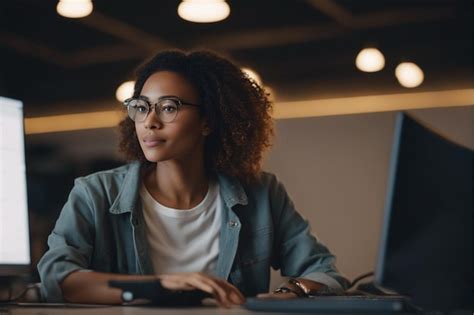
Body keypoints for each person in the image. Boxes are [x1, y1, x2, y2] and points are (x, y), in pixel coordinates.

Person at [37, 50, 349, 307]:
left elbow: (324, 273)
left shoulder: (262, 193)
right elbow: (58, 278)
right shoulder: (96, 193)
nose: (150, 122)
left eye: (169, 107)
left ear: (208, 121)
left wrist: (287, 293)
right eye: (141, 108)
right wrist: (158, 286)